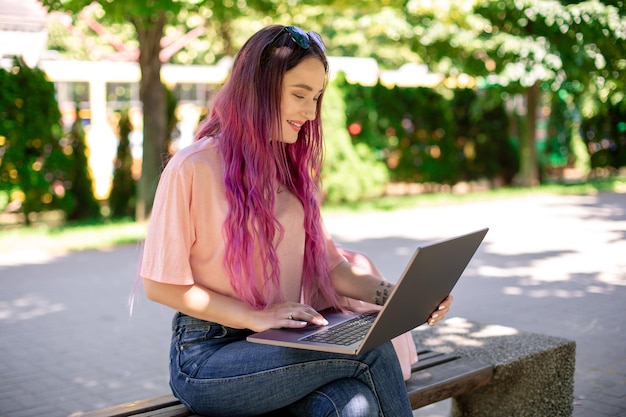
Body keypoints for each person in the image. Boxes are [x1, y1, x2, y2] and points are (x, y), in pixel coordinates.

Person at [140, 24, 453, 417]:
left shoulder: (290, 170)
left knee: (353, 406)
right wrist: (253, 316)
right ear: (257, 90)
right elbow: (160, 286)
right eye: (299, 95)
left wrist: (396, 296)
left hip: (277, 341)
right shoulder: (193, 167)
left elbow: (332, 265)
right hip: (208, 357)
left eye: (316, 98)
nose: (309, 112)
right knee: (371, 349)